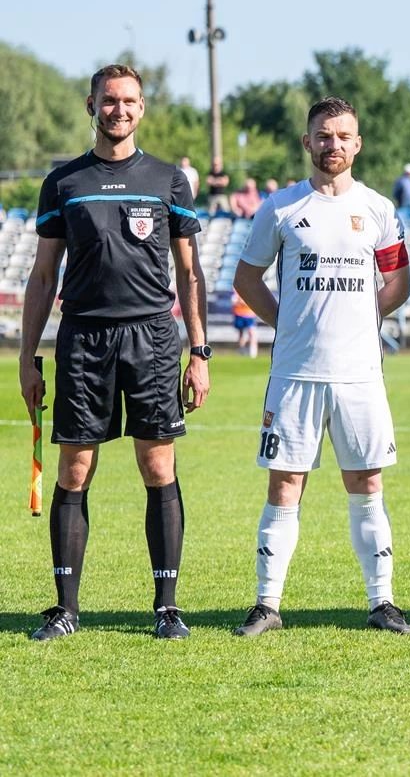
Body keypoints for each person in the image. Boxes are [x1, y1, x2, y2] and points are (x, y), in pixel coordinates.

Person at [20, 63, 209, 641]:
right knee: (75, 469)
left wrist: (199, 352)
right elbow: (43, 274)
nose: (118, 110)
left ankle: (167, 608)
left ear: (141, 108)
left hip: (152, 338)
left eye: (128, 101)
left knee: (158, 466)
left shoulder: (168, 180)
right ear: (91, 106)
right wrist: (27, 358)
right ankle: (66, 609)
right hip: (83, 339)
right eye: (108, 100)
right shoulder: (63, 182)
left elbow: (189, 272)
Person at [231, 96, 410, 637]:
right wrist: (286, 320)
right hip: (296, 374)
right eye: (324, 135)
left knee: (367, 482)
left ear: (358, 144)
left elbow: (398, 283)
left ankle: (382, 602)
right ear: (307, 142)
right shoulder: (281, 207)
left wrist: (363, 319)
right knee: (285, 485)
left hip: (360, 375)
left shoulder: (378, 208)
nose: (333, 144)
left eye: (343, 136)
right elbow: (246, 278)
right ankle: (267, 604)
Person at [230, 289, 258, 357]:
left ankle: (253, 352)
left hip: (250, 315)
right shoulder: (236, 291)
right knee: (241, 333)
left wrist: (242, 302)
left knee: (252, 333)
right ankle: (242, 350)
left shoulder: (251, 290)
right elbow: (233, 301)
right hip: (239, 314)